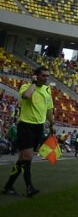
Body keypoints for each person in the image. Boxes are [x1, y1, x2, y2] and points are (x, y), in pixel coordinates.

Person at [3, 66, 53, 197]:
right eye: (43, 75)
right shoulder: (26, 87)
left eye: (47, 76)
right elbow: (26, 96)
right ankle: (29, 187)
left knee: (22, 159)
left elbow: (49, 109)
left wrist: (52, 123)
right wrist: (34, 83)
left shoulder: (47, 90)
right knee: (28, 158)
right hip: (26, 126)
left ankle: (8, 186)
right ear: (36, 76)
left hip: (39, 127)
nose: (46, 78)